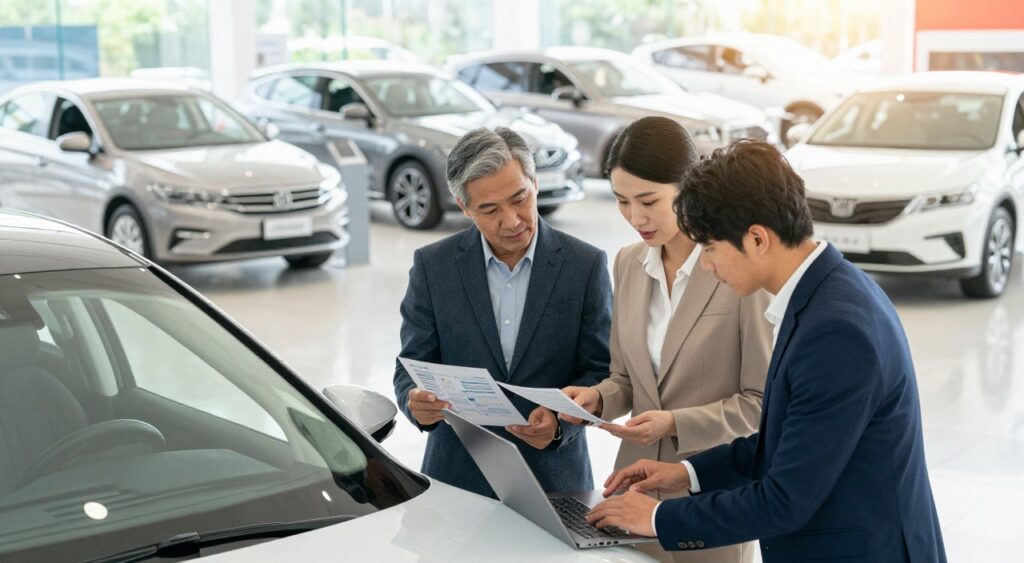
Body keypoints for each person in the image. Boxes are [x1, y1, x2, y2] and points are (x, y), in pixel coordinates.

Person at [587, 139, 947, 563]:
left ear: (757, 239)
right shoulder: (827, 292)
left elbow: (785, 500)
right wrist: (687, 472)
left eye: (711, 248)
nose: (705, 265)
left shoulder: (836, 330)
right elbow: (785, 442)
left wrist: (658, 519)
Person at [560, 117, 772, 563]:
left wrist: (674, 423)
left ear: (688, 187)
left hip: (710, 493)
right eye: (621, 202)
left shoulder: (738, 267)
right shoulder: (628, 263)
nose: (636, 217)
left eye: (649, 200)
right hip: (632, 488)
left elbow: (760, 403)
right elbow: (625, 378)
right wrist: (596, 399)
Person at [393, 127, 612, 497]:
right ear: (464, 207)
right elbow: (410, 365)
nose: (511, 221)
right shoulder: (434, 267)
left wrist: (561, 424)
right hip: (457, 480)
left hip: (555, 480)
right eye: (490, 210)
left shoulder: (585, 265)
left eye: (519, 199)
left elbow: (601, 372)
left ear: (535, 183)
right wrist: (416, 404)